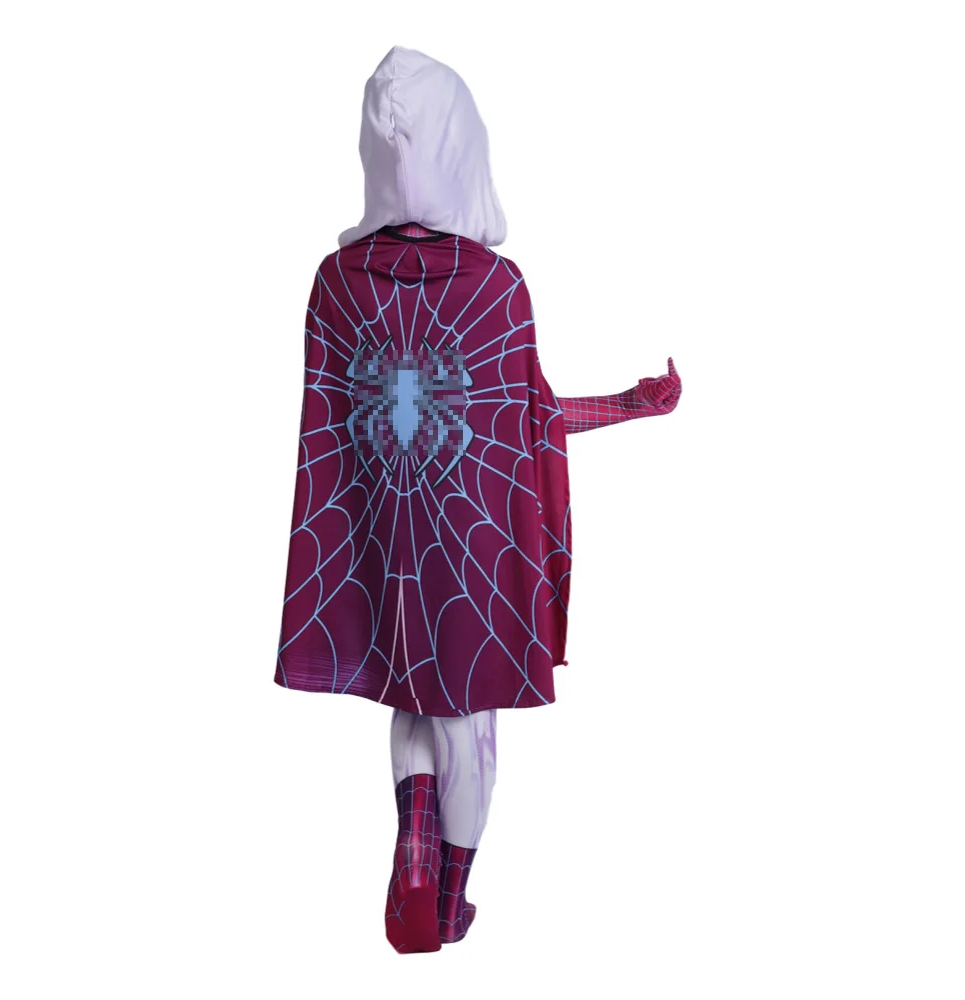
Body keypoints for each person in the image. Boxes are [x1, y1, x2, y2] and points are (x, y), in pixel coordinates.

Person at [275, 45, 682, 953]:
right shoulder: (497, 287)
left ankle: (412, 850)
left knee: (409, 699)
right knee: (468, 720)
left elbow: (336, 429)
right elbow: (522, 423)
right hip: (471, 549)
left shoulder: (332, 283)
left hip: (380, 540)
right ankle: (450, 897)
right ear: (464, 149)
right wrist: (629, 403)